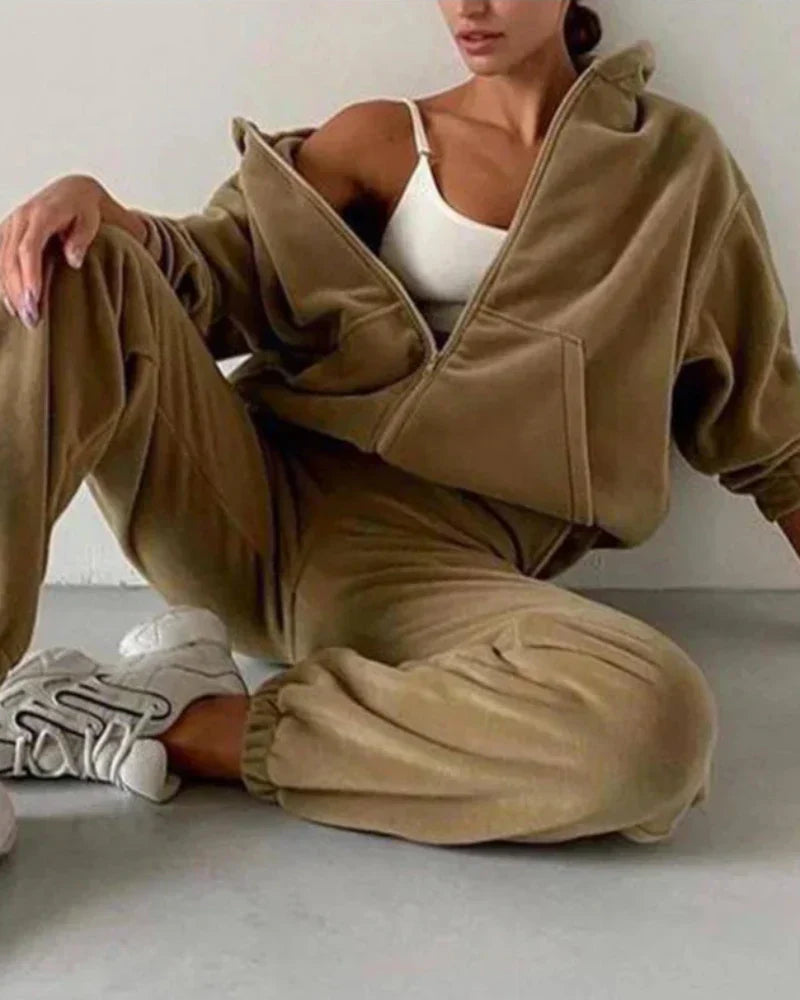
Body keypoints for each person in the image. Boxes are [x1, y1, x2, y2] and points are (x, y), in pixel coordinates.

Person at [1, 1, 798, 857]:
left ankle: (175, 724)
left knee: (654, 725)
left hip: (431, 580)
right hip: (242, 508)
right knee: (73, 261)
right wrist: (105, 213)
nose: (468, 5)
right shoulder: (379, 139)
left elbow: (771, 433)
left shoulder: (673, 170)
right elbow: (213, 272)